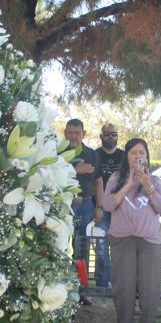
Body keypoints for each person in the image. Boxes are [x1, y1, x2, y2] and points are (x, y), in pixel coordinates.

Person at [101, 138, 161, 323]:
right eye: (133, 152)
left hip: (149, 240)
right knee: (123, 288)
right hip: (122, 239)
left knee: (149, 289)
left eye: (141, 152)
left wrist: (147, 186)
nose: (137, 156)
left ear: (146, 156)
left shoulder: (155, 180)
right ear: (127, 156)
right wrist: (129, 183)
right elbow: (107, 205)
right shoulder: (116, 178)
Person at [64, 118, 100, 309]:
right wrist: (75, 169)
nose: (73, 136)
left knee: (82, 248)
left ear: (83, 134)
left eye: (77, 133)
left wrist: (99, 206)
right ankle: (62, 289)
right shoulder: (59, 152)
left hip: (85, 205)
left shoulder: (92, 154)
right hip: (64, 207)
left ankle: (81, 291)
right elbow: (52, 174)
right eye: (70, 132)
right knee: (61, 247)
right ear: (65, 133)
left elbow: (98, 182)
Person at [93, 123, 124, 288]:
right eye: (106, 134)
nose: (110, 137)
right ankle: (102, 283)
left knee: (119, 248)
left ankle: (117, 281)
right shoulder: (94, 155)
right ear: (100, 136)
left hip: (120, 209)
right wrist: (97, 206)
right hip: (101, 209)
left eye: (113, 134)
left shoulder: (124, 156)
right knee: (101, 248)